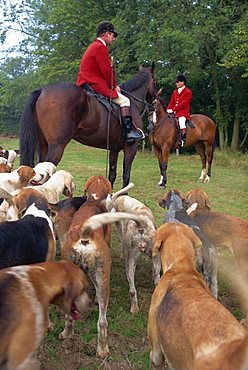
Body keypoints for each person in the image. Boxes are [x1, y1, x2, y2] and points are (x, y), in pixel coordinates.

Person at [76, 21, 143, 142]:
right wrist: (114, 86)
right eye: (113, 35)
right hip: (94, 83)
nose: (114, 39)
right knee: (125, 100)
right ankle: (129, 133)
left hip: (86, 81)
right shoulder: (100, 47)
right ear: (106, 34)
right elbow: (106, 71)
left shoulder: (93, 46)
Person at [166, 74, 192, 148]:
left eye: (178, 82)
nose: (176, 83)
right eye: (176, 82)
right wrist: (167, 110)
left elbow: (183, 104)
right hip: (174, 113)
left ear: (182, 82)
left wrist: (173, 110)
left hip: (183, 113)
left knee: (181, 121)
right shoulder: (175, 92)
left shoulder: (188, 92)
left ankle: (183, 140)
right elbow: (172, 103)